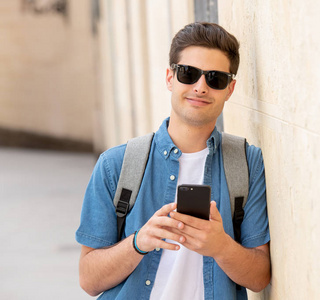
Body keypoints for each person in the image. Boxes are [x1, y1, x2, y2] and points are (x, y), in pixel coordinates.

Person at [76, 22, 270, 300]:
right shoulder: (116, 164)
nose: (201, 87)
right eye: (188, 74)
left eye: (215, 78)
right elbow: (89, 280)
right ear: (170, 78)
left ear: (230, 89)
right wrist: (138, 242)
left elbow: (260, 278)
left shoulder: (246, 163)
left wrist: (221, 246)